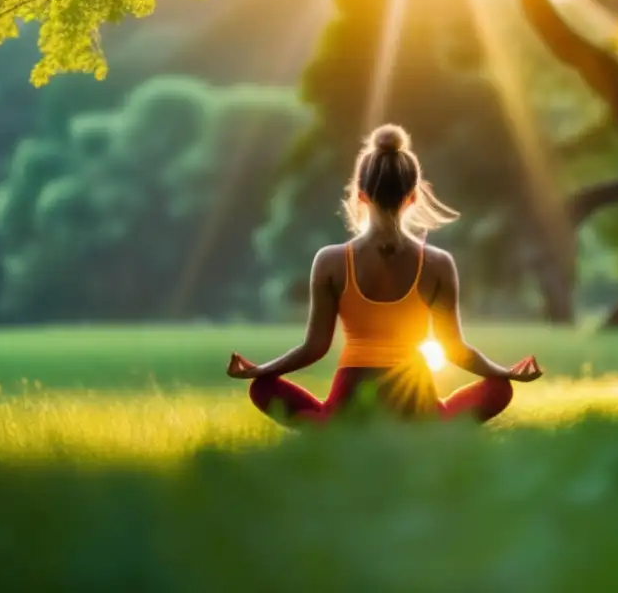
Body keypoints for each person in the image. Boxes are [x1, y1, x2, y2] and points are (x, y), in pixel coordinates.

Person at [226, 123, 542, 425]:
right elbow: (454, 350)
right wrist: (504, 373)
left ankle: (333, 428)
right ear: (414, 197)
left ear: (360, 195)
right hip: (417, 407)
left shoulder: (331, 261)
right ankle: (434, 428)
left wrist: (261, 371)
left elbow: (315, 348)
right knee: (499, 389)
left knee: (263, 389)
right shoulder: (438, 263)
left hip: (350, 407)